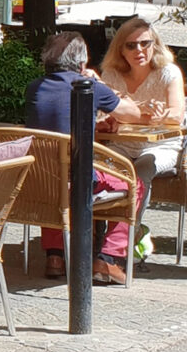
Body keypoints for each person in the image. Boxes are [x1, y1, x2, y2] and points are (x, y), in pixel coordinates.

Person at [25, 32, 143, 286]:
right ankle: (108, 259)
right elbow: (133, 114)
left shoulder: (33, 88)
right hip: (79, 184)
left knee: (55, 174)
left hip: (39, 183)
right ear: (82, 64)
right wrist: (99, 83)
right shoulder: (88, 87)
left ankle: (55, 256)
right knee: (134, 183)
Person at [99, 16, 186, 222]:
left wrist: (158, 115)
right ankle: (98, 232)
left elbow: (177, 115)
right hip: (122, 145)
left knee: (139, 174)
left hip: (161, 147)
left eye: (145, 43)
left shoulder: (168, 73)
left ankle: (129, 234)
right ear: (120, 50)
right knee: (94, 170)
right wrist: (139, 117)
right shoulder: (111, 75)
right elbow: (101, 116)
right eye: (131, 45)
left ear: (154, 45)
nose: (139, 50)